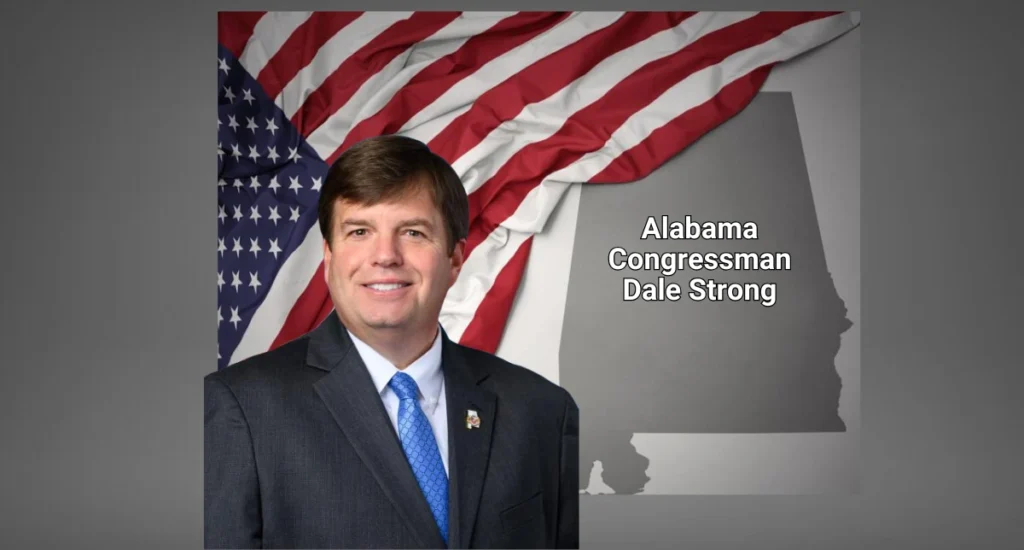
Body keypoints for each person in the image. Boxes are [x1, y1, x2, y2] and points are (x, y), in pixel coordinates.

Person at [205, 135, 579, 549]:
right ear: (329, 257)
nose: (385, 256)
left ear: (455, 259)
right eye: (360, 231)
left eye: (414, 232)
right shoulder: (241, 409)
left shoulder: (543, 411)